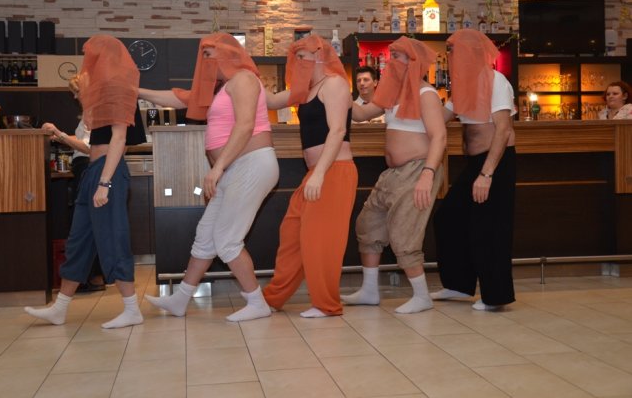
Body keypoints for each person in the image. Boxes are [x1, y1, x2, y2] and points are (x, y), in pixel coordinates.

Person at [139, 32, 279, 322]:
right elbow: (178, 98)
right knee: (206, 236)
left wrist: (217, 167)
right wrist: (136, 91)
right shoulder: (221, 87)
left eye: (208, 54)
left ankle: (257, 303)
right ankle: (180, 299)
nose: (203, 61)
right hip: (235, 168)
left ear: (227, 54)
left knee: (227, 239)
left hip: (251, 164)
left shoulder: (243, 79)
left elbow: (245, 126)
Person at [25, 35, 146, 328]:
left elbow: (120, 138)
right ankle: (60, 308)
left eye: (91, 55)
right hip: (93, 172)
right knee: (79, 239)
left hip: (107, 172)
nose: (87, 61)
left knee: (113, 239)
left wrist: (104, 183)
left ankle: (132, 309)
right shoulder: (103, 90)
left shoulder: (118, 87)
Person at [341, 37, 446, 314]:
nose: (391, 62)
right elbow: (360, 114)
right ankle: (369, 291)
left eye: (397, 56)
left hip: (417, 170)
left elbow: (439, 137)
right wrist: (338, 88)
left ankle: (422, 296)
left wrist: (427, 175)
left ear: (413, 61)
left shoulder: (426, 94)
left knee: (404, 232)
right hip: (393, 173)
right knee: (368, 224)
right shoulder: (392, 93)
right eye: (392, 56)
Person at [263, 34, 358, 318]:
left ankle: (326, 304)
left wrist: (319, 175)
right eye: (295, 57)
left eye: (301, 57)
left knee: (321, 240)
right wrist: (244, 74)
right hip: (317, 173)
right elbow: (271, 100)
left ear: (318, 55)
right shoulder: (304, 89)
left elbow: (338, 131)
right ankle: (273, 298)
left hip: (334, 170)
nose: (297, 62)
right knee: (292, 233)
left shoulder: (335, 84)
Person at [431, 29, 516, 312]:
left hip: (495, 163)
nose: (449, 55)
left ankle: (496, 296)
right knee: (448, 218)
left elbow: (503, 130)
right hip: (474, 163)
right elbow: (439, 119)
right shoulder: (463, 85)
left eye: (452, 49)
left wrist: (487, 174)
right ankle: (458, 284)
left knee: (489, 229)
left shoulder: (496, 81)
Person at [43, 118, 105, 292]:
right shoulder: (90, 112)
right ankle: (92, 276)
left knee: (84, 226)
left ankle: (90, 277)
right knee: (90, 224)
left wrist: (60, 134)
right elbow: (83, 139)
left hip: (87, 167)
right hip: (86, 167)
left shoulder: (93, 111)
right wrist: (58, 136)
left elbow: (88, 147)